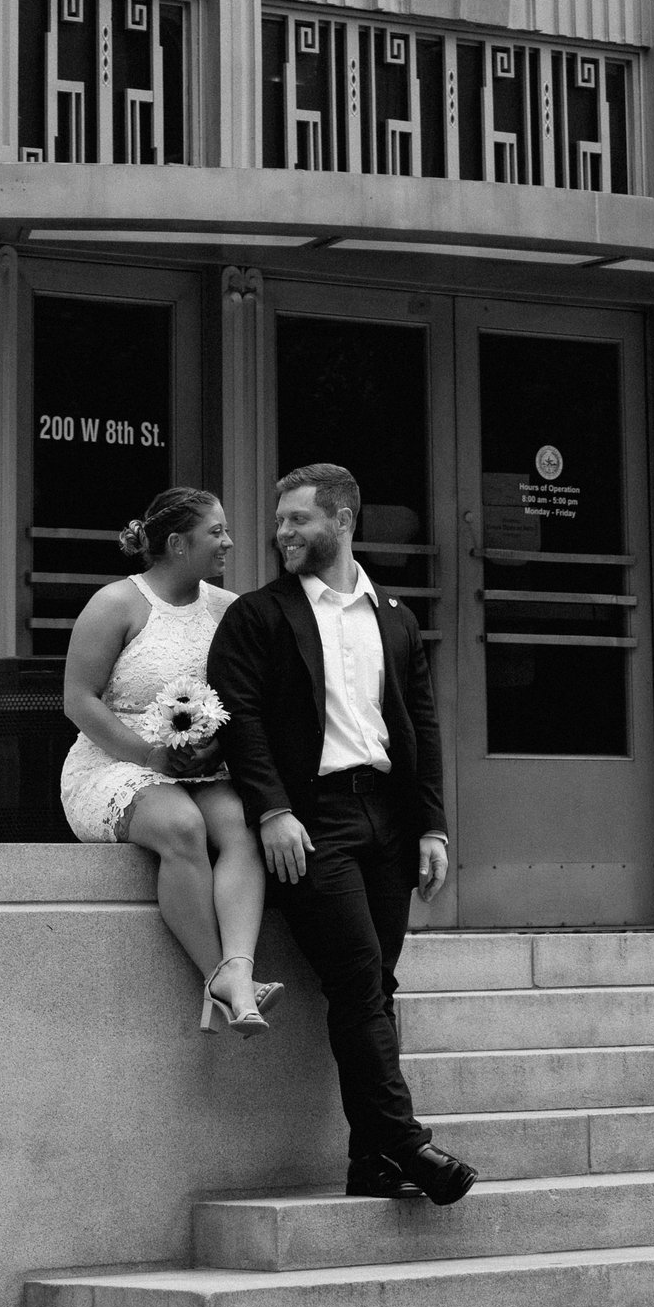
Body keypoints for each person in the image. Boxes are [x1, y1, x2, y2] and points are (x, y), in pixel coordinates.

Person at [206, 460, 477, 1202]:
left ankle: (371, 1163)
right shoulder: (257, 615)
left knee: (375, 985)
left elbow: (419, 723)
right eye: (280, 519)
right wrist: (272, 811)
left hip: (387, 817)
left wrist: (433, 827)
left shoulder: (395, 615)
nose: (281, 532)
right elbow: (243, 722)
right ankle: (408, 1144)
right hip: (309, 820)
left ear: (343, 520)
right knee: (358, 977)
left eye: (298, 518)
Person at [59, 485, 279, 1036]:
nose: (229, 541)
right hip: (114, 764)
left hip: (202, 765)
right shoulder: (116, 603)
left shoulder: (228, 610)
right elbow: (78, 700)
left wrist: (219, 744)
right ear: (178, 544)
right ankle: (220, 976)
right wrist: (151, 754)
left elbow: (247, 700)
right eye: (216, 532)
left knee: (242, 827)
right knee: (183, 827)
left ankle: (243, 965)